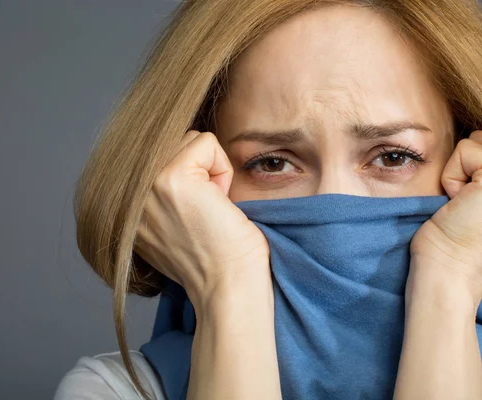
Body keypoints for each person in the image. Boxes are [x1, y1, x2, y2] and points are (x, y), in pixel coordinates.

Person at [54, 0, 482, 399]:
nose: (334, 203)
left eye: (393, 156)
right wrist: (227, 284)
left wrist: (451, 274)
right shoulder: (113, 391)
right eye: (273, 163)